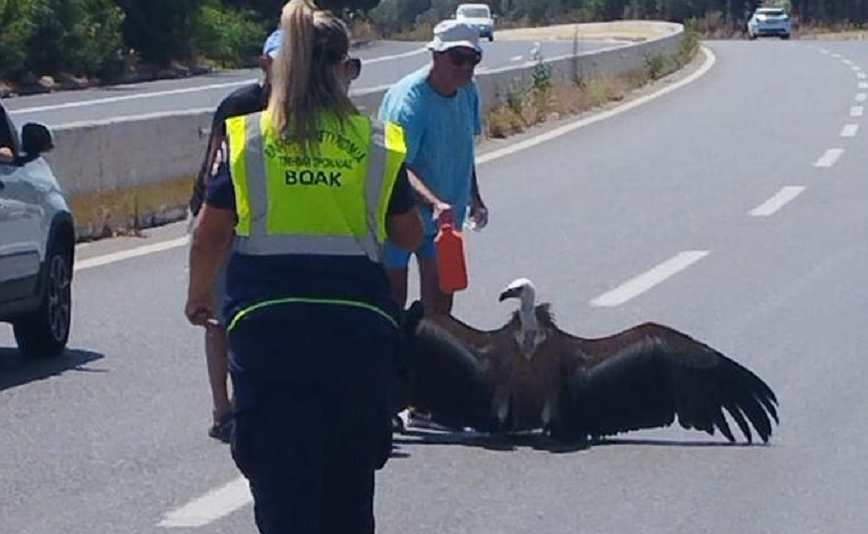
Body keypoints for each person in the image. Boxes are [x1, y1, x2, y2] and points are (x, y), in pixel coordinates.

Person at [184, 0, 423, 532]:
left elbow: (209, 232)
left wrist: (199, 295)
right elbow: (409, 233)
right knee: (348, 492)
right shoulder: (375, 142)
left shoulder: (250, 137)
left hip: (269, 336)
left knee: (281, 493)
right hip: (356, 336)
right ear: (345, 68)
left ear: (281, 64)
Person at [188, 28, 282, 443]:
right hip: (224, 214)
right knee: (218, 318)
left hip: (270, 223)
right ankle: (221, 408)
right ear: (265, 63)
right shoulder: (242, 105)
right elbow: (215, 167)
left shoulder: (307, 108)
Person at [378, 19, 489, 316]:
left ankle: (430, 361)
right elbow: (398, 166)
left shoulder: (468, 91)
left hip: (444, 223)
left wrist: (474, 196)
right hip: (398, 215)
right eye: (458, 58)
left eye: (473, 59)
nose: (466, 67)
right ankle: (393, 360)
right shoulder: (411, 103)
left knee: (440, 304)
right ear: (437, 55)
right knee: (392, 301)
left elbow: (465, 149)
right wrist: (435, 202)